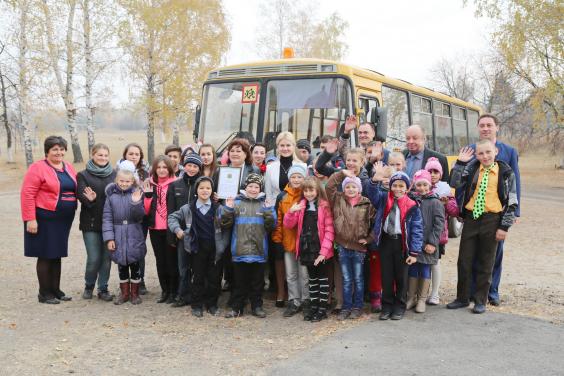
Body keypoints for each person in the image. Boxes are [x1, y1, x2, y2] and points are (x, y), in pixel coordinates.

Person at [447, 140, 517, 314]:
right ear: (476, 155)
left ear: (496, 151)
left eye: (488, 152)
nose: (485, 156)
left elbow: (512, 201)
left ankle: (480, 300)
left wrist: (504, 227)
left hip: (492, 220)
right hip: (471, 218)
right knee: (464, 260)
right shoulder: (471, 169)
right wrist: (460, 162)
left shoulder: (505, 172)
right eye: (480, 153)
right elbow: (454, 183)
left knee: (487, 261)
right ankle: (462, 298)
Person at [470, 114, 521, 306]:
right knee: (474, 252)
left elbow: (516, 182)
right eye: (482, 125)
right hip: (476, 213)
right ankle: (474, 290)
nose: (485, 128)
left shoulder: (509, 151)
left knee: (495, 253)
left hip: (497, 213)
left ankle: (492, 291)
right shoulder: (472, 150)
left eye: (489, 125)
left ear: (496, 127)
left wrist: (514, 212)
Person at [21, 136, 78, 304]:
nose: (59, 152)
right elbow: (27, 194)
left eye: (61, 149)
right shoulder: (37, 168)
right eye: (55, 149)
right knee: (45, 254)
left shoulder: (67, 167)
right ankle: (44, 293)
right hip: (44, 217)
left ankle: (56, 289)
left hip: (63, 219)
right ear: (47, 151)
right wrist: (30, 218)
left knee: (57, 253)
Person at [364, 169, 423, 321]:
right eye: (394, 185)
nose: (397, 188)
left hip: (402, 244)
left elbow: (417, 229)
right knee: (387, 277)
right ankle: (387, 306)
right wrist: (374, 181)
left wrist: (414, 253)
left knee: (401, 278)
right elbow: (372, 194)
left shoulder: (412, 205)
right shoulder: (384, 199)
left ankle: (399, 306)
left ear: (407, 188)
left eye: (401, 185)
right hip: (386, 242)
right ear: (390, 186)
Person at [168, 176, 230, 318]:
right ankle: (197, 305)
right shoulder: (188, 208)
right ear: (196, 190)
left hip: (214, 249)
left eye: (208, 188)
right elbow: (172, 218)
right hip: (196, 249)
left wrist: (222, 245)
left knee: (214, 278)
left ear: (212, 190)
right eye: (201, 188)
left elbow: (227, 226)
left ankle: (212, 305)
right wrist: (178, 230)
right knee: (197, 277)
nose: (205, 190)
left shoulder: (218, 208)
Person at [219, 173, 276, 318]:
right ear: (245, 187)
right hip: (240, 251)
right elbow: (224, 223)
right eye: (250, 186)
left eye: (256, 187)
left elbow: (271, 226)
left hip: (258, 251)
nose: (253, 189)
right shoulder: (237, 203)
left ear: (260, 188)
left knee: (257, 283)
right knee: (239, 283)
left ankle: (257, 306)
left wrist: (269, 211)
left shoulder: (265, 204)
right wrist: (228, 208)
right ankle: (236, 308)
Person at [264, 131, 307, 307]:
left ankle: (300, 295)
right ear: (278, 147)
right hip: (278, 210)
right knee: (279, 251)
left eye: (288, 145)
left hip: (298, 210)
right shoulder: (271, 167)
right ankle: (282, 291)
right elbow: (268, 193)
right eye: (282, 145)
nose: (285, 148)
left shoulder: (302, 166)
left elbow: (306, 190)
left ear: (293, 146)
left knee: (296, 251)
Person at [283, 177, 335, 322]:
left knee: (322, 279)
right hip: (306, 248)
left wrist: (323, 253)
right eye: (305, 190)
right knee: (312, 279)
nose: (308, 193)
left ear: (317, 190)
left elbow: (330, 231)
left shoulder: (324, 206)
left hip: (320, 250)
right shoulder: (300, 205)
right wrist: (291, 212)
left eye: (311, 190)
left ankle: (322, 309)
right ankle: (313, 306)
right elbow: (289, 225)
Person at [326, 170, 375, 320]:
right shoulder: (338, 199)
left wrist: (369, 239)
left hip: (359, 248)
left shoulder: (366, 203)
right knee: (346, 279)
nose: (351, 189)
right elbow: (329, 187)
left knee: (359, 279)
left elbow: (375, 224)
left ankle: (357, 307)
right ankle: (346, 307)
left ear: (359, 189)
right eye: (347, 187)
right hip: (342, 246)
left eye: (354, 187)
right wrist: (341, 174)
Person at [102, 162, 146, 305]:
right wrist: (109, 238)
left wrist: (135, 203)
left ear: (132, 181)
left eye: (127, 181)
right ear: (116, 180)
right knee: (121, 265)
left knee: (134, 264)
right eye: (121, 181)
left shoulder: (136, 194)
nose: (124, 184)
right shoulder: (111, 196)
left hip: (134, 233)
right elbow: (107, 218)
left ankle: (135, 293)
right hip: (117, 233)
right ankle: (124, 293)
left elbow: (140, 216)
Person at [77, 143, 116, 301]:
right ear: (93, 155)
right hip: (91, 223)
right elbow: (80, 194)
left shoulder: (114, 174)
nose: (103, 158)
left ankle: (103, 288)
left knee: (106, 258)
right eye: (100, 155)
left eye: (106, 155)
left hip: (110, 224)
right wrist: (89, 199)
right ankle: (89, 285)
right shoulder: (83, 175)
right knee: (94, 258)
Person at [405, 170, 445, 314]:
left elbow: (439, 224)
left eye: (424, 185)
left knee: (425, 269)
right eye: (419, 185)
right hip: (414, 243)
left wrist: (433, 243)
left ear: (429, 186)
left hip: (428, 243)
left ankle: (422, 299)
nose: (422, 188)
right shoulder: (412, 200)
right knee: (413, 269)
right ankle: (411, 297)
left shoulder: (435, 202)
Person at [166, 153, 203, 307]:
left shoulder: (203, 185)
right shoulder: (175, 185)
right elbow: (171, 211)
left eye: (195, 166)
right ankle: (183, 296)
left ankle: (197, 296)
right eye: (189, 165)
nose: (192, 169)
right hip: (181, 234)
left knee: (198, 268)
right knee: (183, 267)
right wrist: (173, 234)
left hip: (199, 233)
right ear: (184, 166)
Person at [272, 165, 309, 318]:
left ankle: (306, 300)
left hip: (303, 242)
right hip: (287, 242)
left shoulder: (308, 194)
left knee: (304, 274)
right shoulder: (282, 196)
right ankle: (294, 300)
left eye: (299, 177)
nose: (296, 179)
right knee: (291, 274)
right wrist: (277, 239)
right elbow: (278, 220)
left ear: (304, 178)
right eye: (293, 177)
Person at [144, 155, 178, 304]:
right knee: (160, 260)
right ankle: (164, 290)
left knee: (171, 260)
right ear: (154, 169)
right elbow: (145, 210)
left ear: (170, 168)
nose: (162, 170)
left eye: (165, 167)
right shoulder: (149, 184)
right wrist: (147, 197)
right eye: (159, 167)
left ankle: (173, 290)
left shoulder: (176, 184)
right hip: (155, 228)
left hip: (170, 228)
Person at [425, 157, 459, 305]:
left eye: (435, 172)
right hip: (422, 233)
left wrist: (447, 204)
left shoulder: (445, 189)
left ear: (440, 174)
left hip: (438, 235)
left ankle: (435, 293)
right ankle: (422, 293)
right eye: (429, 171)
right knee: (422, 264)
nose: (432, 174)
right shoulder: (419, 186)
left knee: (435, 263)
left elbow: (454, 211)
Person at [117, 142, 150, 294]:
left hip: (140, 217)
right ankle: (124, 283)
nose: (134, 156)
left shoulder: (145, 173)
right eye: (131, 154)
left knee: (138, 249)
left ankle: (139, 280)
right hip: (123, 218)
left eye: (137, 154)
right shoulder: (118, 172)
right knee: (123, 248)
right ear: (125, 155)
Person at [367, 164, 393, 313]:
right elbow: (372, 194)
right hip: (379, 240)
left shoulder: (401, 196)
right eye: (384, 178)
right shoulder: (381, 196)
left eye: (389, 178)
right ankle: (376, 298)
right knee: (376, 271)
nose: (386, 181)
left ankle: (391, 296)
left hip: (394, 241)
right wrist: (374, 180)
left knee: (392, 271)